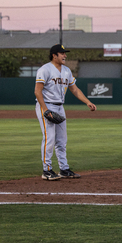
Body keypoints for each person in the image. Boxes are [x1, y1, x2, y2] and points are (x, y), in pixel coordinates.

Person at [34, 44, 97, 181]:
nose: (65, 56)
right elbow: (37, 91)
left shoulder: (67, 71)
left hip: (60, 107)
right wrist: (45, 109)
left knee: (62, 141)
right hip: (46, 106)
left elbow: (74, 89)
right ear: (54, 55)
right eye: (62, 53)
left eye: (64, 53)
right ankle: (47, 170)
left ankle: (64, 168)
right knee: (49, 139)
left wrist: (87, 102)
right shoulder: (45, 70)